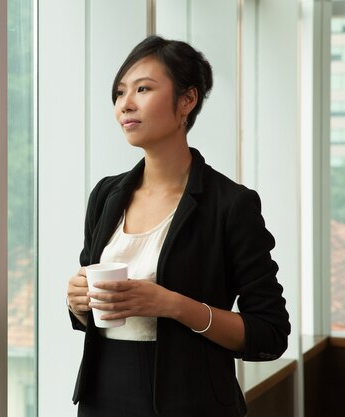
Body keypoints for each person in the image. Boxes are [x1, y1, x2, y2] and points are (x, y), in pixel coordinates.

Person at [66, 35, 291, 417]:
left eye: (143, 89)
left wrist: (172, 305)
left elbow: (269, 334)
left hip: (193, 402)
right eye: (120, 93)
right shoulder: (106, 195)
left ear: (187, 100)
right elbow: (92, 309)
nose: (126, 104)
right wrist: (77, 302)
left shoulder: (231, 205)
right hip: (101, 398)